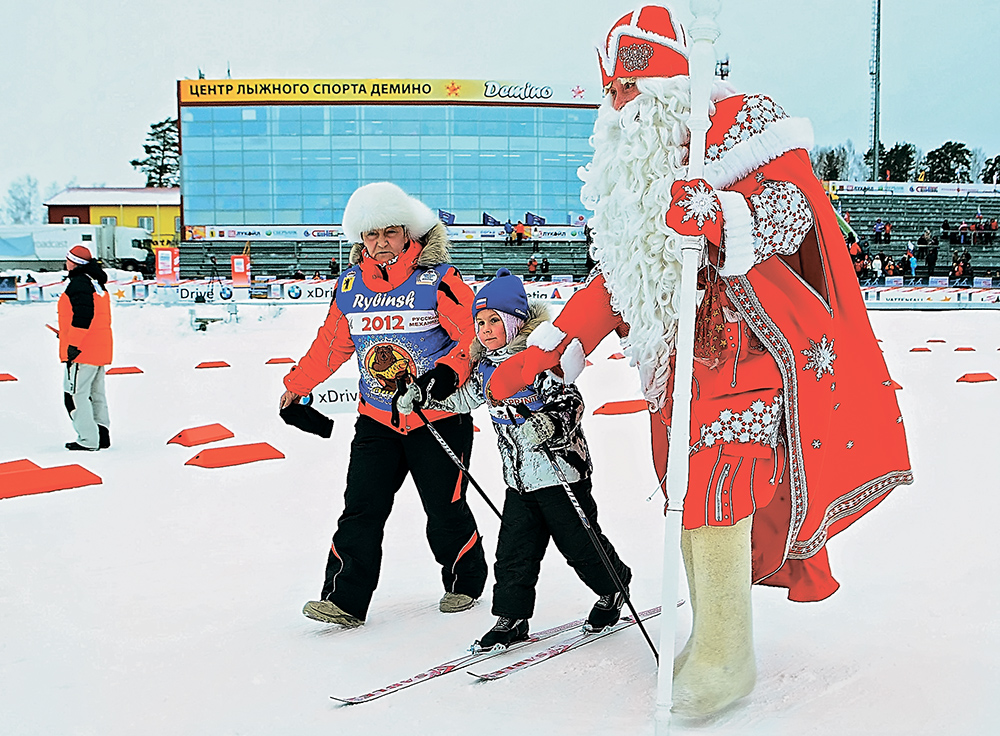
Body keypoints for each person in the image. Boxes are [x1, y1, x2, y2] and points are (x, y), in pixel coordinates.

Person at [486, 4, 911, 717]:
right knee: (684, 494)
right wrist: (551, 346)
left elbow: (794, 210)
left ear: (664, 87)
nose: (616, 107)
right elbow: (620, 277)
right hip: (673, 362)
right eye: (610, 93)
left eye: (629, 90)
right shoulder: (635, 173)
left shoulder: (742, 122)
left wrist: (721, 215)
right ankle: (712, 632)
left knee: (718, 485)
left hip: (747, 345)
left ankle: (725, 656)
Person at [280, 182, 488, 627]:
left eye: (389, 233)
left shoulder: (438, 279)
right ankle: (344, 600)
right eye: (370, 236)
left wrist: (447, 372)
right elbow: (331, 345)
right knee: (361, 507)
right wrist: (297, 384)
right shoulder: (350, 286)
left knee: (444, 507)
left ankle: (465, 581)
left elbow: (472, 336)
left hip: (438, 417)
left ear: (408, 233)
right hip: (377, 420)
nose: (379, 244)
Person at [397, 268, 632, 649]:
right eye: (480, 322)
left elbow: (571, 404)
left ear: (515, 322)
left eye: (494, 320)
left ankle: (614, 587)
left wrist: (546, 427)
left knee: (580, 545)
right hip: (519, 479)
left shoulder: (539, 362)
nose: (485, 329)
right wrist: (425, 398)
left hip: (561, 474)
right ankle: (511, 618)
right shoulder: (485, 369)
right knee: (513, 552)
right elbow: (462, 399)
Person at [58, 245, 112, 451]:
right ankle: (101, 435)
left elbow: (83, 318)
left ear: (72, 262)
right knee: (96, 394)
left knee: (74, 395)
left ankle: (88, 439)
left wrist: (73, 344)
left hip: (82, 350)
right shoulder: (96, 282)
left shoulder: (79, 283)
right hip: (99, 348)